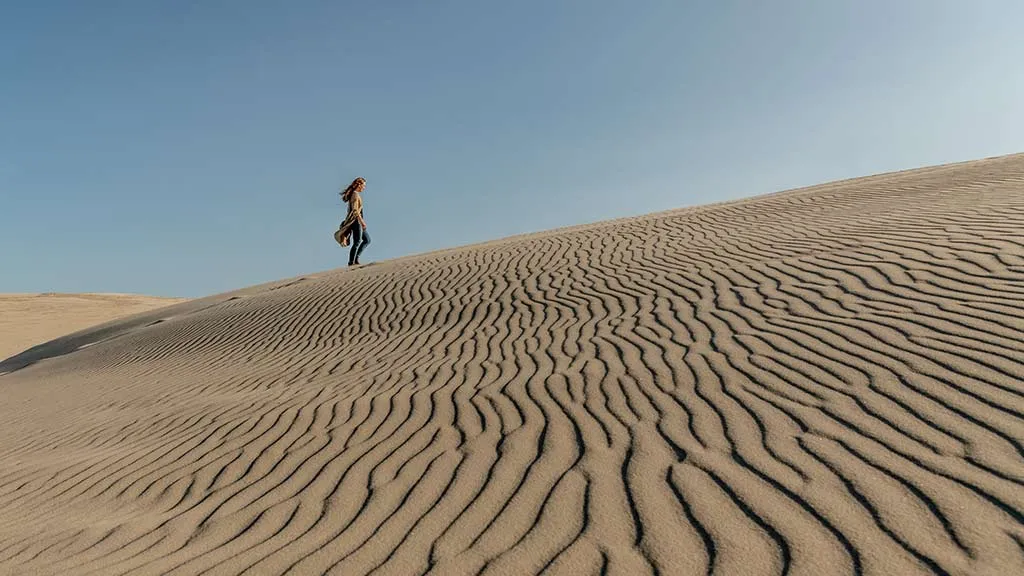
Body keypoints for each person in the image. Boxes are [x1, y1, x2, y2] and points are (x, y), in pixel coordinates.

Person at [337, 177, 371, 266]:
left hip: (357, 221)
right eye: (363, 185)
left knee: (367, 240)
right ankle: (351, 262)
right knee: (357, 241)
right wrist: (361, 221)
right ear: (359, 185)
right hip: (356, 221)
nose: (364, 187)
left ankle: (356, 259)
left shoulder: (355, 194)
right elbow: (355, 210)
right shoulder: (355, 195)